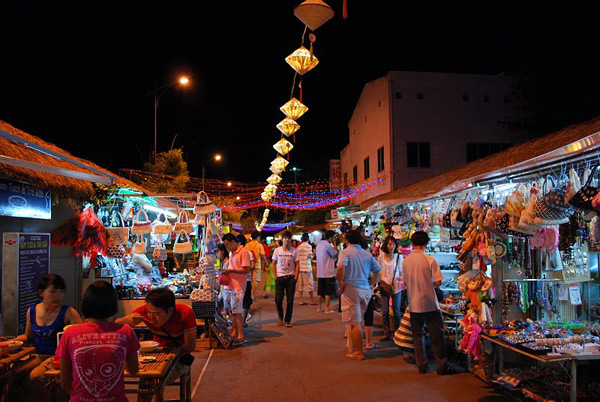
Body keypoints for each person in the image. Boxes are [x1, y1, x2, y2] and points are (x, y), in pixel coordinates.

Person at [2, 274, 82, 401]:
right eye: (53, 291)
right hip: (37, 356)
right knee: (11, 376)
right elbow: (28, 337)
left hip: (57, 358)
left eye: (61, 291)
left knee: (35, 377)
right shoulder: (32, 311)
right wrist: (10, 342)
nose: (58, 296)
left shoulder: (69, 313)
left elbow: (81, 338)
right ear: (41, 292)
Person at [56, 281, 139, 402]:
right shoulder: (126, 331)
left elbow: (65, 382)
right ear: (113, 305)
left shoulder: (70, 333)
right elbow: (133, 370)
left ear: (86, 304)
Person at [115, 287, 197, 385]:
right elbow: (116, 325)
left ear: (170, 311)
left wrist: (166, 358)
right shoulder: (144, 312)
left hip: (179, 356)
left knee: (154, 383)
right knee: (145, 381)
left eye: (157, 314)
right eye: (149, 312)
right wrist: (126, 321)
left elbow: (189, 346)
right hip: (154, 353)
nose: (151, 317)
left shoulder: (185, 313)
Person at [402, 231, 454, 375]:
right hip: (430, 303)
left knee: (417, 336)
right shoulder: (430, 259)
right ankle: (442, 366)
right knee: (437, 335)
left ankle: (422, 366)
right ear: (426, 243)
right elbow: (438, 282)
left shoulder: (406, 261)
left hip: (413, 304)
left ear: (412, 244)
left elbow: (405, 282)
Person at [337, 229, 381, 360]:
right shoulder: (366, 254)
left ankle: (358, 352)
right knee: (356, 320)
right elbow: (378, 270)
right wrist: (372, 284)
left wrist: (340, 282)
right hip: (365, 290)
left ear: (347, 240)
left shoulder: (345, 252)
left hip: (352, 289)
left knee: (354, 322)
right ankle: (351, 347)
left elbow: (340, 268)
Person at [221, 233, 251, 344]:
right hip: (230, 285)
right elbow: (231, 267)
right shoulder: (231, 253)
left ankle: (241, 336)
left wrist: (231, 271)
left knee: (237, 312)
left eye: (227, 244)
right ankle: (234, 332)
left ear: (233, 241)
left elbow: (246, 269)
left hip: (238, 286)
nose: (227, 247)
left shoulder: (243, 252)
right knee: (232, 311)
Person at [377, 236, 405, 341]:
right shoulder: (381, 257)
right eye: (389, 244)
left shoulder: (399, 257)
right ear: (385, 245)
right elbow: (378, 271)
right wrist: (379, 282)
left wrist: (398, 279)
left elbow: (402, 273)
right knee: (385, 311)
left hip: (396, 287)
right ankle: (386, 332)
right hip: (384, 286)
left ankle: (397, 332)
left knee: (397, 311)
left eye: (393, 244)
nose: (391, 246)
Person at [272, 231, 299, 327]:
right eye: (285, 238)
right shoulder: (277, 251)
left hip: (290, 278)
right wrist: (275, 276)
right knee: (278, 299)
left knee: (290, 300)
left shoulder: (294, 251)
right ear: (282, 239)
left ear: (291, 240)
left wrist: (296, 276)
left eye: (288, 238)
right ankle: (280, 316)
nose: (287, 240)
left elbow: (297, 264)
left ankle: (287, 320)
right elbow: (273, 263)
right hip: (280, 278)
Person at [316, 230, 338, 313]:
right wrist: (335, 244)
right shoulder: (328, 245)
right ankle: (327, 308)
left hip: (320, 272)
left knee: (320, 291)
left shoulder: (319, 245)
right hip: (328, 272)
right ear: (330, 238)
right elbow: (335, 254)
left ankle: (319, 307)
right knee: (328, 291)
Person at [237, 234, 254, 328]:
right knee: (245, 300)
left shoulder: (236, 253)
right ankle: (242, 321)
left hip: (241, 280)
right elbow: (253, 265)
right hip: (245, 280)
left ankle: (240, 321)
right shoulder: (248, 253)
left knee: (239, 300)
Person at [246, 231, 269, 300]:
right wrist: (266, 263)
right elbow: (262, 255)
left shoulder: (247, 245)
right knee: (255, 280)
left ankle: (249, 294)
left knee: (249, 280)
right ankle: (252, 295)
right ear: (258, 237)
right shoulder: (259, 245)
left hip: (249, 265)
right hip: (257, 265)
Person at [296, 233, 315, 305]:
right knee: (309, 284)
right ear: (308, 239)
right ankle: (311, 300)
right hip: (307, 267)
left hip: (300, 267)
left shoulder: (299, 247)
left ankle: (301, 300)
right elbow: (309, 256)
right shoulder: (309, 246)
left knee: (300, 285)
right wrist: (312, 256)